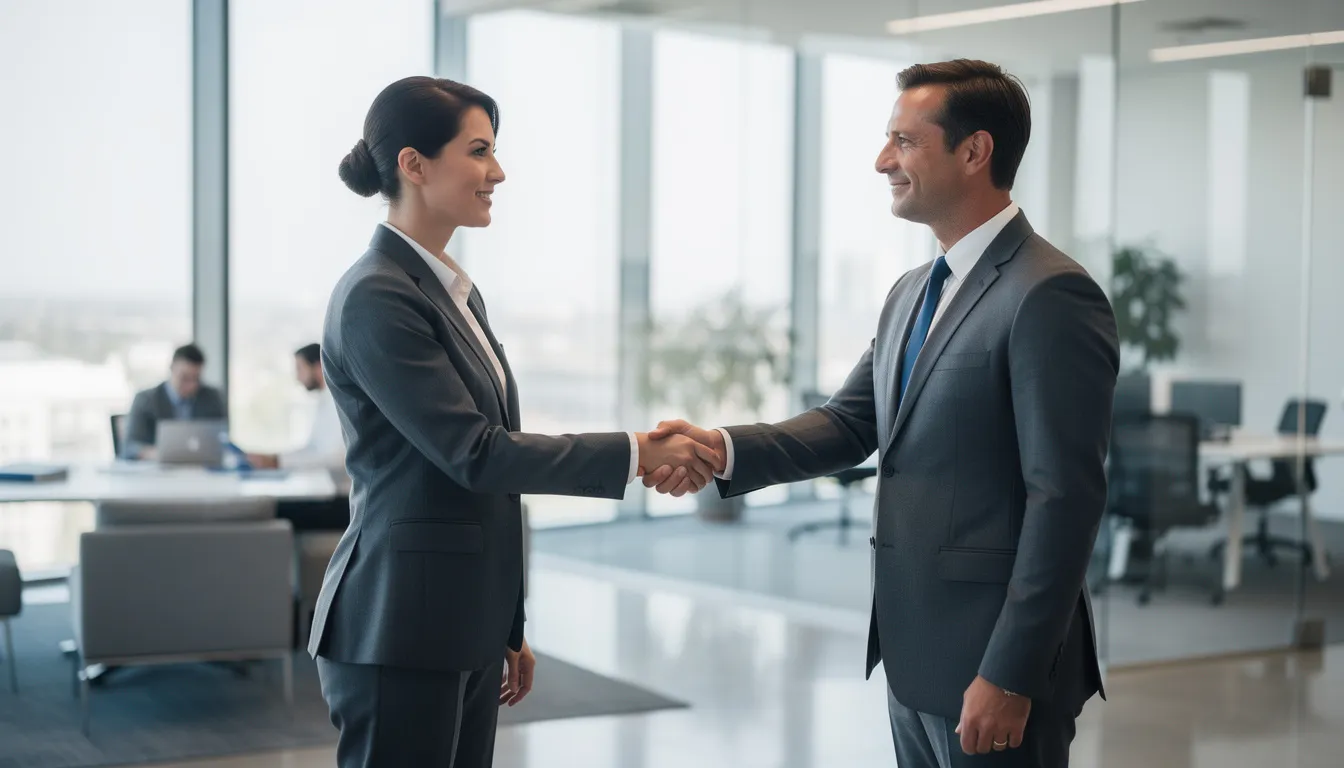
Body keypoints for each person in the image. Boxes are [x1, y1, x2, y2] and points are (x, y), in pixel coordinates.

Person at [645, 59, 1118, 768]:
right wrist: (719, 447)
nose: (881, 161)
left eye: (903, 140)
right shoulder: (912, 291)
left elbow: (1065, 501)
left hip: (994, 663)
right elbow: (849, 424)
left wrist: (1010, 670)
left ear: (974, 151)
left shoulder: (1048, 294)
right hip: (914, 653)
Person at [309, 75, 718, 768]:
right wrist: (637, 453)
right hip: (398, 627)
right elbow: (476, 454)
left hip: (454, 621)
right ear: (413, 164)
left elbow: (481, 486)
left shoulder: (450, 291)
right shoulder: (376, 296)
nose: (497, 172)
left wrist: (503, 622)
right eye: (478, 152)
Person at [246, 343, 345, 473]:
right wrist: (274, 458)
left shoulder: (337, 403)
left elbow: (332, 458)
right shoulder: (324, 401)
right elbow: (312, 448)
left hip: (335, 488)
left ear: (318, 366)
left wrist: (276, 461)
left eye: (299, 369)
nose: (298, 378)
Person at [122, 343, 227, 460]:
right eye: (184, 378)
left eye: (196, 379)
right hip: (157, 472)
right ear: (172, 368)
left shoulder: (212, 397)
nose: (191, 385)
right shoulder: (145, 400)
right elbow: (129, 447)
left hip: (200, 470)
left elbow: (222, 438)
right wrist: (155, 454)